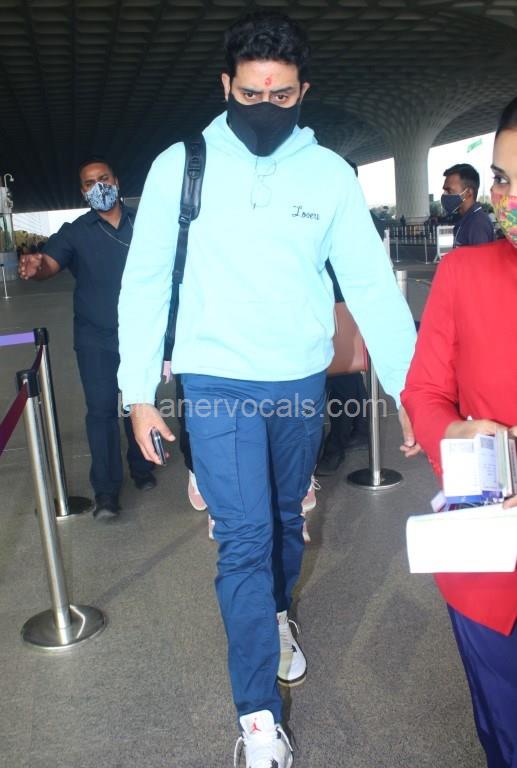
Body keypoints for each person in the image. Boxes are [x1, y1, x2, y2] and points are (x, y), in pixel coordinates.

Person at [118, 12, 417, 766]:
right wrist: (138, 391)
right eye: (250, 93)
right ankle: (257, 720)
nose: (264, 107)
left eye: (281, 96)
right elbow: (145, 282)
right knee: (244, 538)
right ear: (226, 85)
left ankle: (278, 614)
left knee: (284, 520)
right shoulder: (178, 166)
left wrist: (412, 387)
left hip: (297, 382)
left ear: (302, 92)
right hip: (215, 381)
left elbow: (370, 285)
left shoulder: (329, 175)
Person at [402, 97, 517, 768]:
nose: (510, 198)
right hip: (487, 558)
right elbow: (423, 391)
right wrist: (459, 439)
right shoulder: (463, 273)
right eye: (502, 178)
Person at [19, 158, 156, 521]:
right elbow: (50, 263)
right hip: (96, 337)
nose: (98, 187)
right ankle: (106, 491)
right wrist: (38, 267)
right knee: (101, 410)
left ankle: (142, 466)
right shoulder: (75, 232)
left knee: (139, 401)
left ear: (116, 180)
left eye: (103, 179)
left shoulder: (146, 222)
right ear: (82, 192)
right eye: (89, 183)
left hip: (141, 334)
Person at [441, 162, 494, 247]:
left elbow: (480, 255)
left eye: (449, 191)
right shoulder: (465, 219)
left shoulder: (477, 224)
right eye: (444, 191)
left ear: (468, 192)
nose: (444, 195)